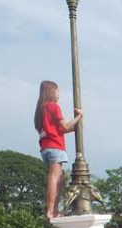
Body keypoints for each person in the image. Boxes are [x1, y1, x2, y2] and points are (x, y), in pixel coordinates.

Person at [34, 80, 83, 219]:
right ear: (51, 92)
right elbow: (65, 127)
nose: (59, 94)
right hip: (55, 147)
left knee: (60, 179)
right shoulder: (53, 106)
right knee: (55, 178)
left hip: (45, 148)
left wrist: (73, 128)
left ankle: (54, 209)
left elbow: (58, 130)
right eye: (57, 91)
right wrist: (79, 116)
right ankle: (51, 210)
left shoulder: (40, 110)